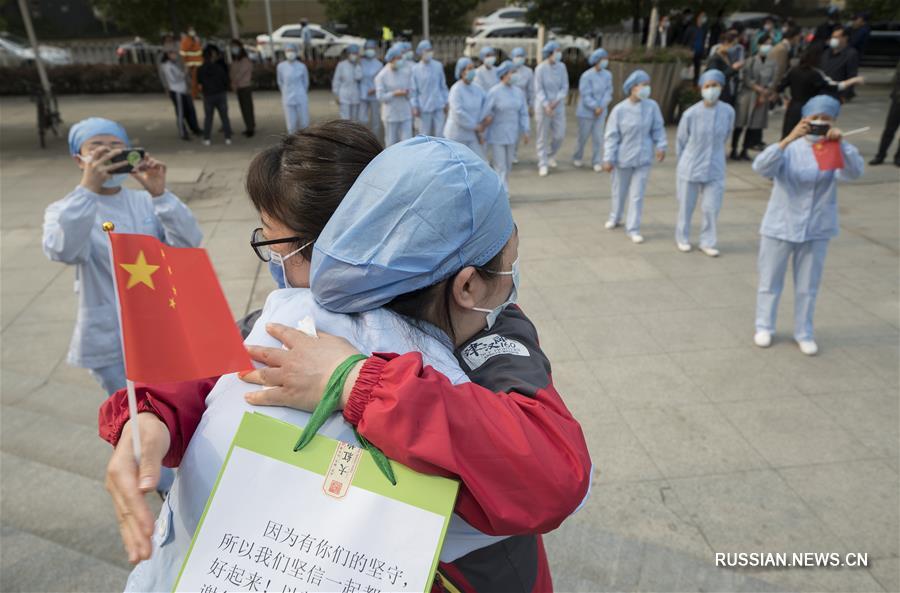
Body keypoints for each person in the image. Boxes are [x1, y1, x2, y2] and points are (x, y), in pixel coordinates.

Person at [100, 132, 592, 592]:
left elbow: (550, 472)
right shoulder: (295, 315)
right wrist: (152, 411)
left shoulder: (488, 331)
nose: (276, 265)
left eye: (279, 245)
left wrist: (356, 380)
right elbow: (229, 362)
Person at [43, 117, 202, 396]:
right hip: (109, 336)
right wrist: (87, 190)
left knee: (172, 408)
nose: (108, 152)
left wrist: (160, 194)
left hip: (159, 327)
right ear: (79, 159)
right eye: (97, 147)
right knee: (133, 417)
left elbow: (188, 244)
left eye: (116, 146)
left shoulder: (145, 201)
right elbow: (64, 251)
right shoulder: (64, 208)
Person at [752, 95, 863, 355]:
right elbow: (761, 167)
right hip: (781, 224)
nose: (819, 123)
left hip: (817, 227)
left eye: (826, 119)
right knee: (770, 280)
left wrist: (842, 145)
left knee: (808, 285)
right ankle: (764, 326)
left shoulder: (835, 148)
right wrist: (787, 139)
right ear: (804, 119)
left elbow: (854, 173)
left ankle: (804, 332)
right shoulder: (789, 148)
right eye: (815, 118)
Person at [602, 69, 667, 244]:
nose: (647, 88)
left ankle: (633, 228)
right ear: (632, 87)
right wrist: (608, 158)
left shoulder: (652, 107)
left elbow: (658, 128)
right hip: (623, 158)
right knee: (619, 191)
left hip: (643, 158)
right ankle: (615, 216)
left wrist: (661, 145)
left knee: (637, 195)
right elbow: (611, 136)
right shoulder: (620, 110)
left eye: (648, 85)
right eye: (643, 85)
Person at [674, 69, 735, 256]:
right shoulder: (690, 114)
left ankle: (707, 241)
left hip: (715, 165)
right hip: (691, 165)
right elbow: (681, 141)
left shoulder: (728, 111)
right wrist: (683, 162)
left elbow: (726, 134)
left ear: (721, 87)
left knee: (711, 207)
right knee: (686, 206)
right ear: (701, 88)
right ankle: (682, 238)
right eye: (707, 86)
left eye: (715, 86)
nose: (711, 90)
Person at [777, 43, 863, 139]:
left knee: (788, 135)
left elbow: (779, 87)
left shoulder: (793, 71)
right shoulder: (816, 74)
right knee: (808, 137)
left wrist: (785, 99)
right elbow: (834, 86)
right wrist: (852, 81)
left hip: (793, 107)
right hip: (810, 109)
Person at [485, 60, 529, 190]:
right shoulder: (494, 92)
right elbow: (485, 112)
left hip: (512, 133)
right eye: (512, 72)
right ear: (504, 74)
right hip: (497, 134)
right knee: (500, 166)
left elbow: (523, 112)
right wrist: (482, 128)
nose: (515, 75)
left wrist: (526, 130)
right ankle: (503, 192)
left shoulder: (518, 92)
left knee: (508, 165)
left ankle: (503, 188)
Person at [732, 34, 777, 158]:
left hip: (762, 98)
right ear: (759, 45)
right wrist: (759, 90)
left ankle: (745, 149)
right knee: (740, 123)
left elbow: (773, 80)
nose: (767, 47)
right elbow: (747, 79)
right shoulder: (750, 60)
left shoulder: (772, 63)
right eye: (765, 43)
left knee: (753, 125)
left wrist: (766, 92)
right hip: (748, 95)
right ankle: (734, 148)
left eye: (770, 44)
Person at [572, 48, 612, 172]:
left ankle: (596, 160)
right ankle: (577, 156)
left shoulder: (607, 75)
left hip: (600, 112)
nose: (605, 61)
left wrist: (602, 106)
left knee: (598, 137)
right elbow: (585, 94)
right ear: (596, 60)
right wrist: (595, 106)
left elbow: (608, 91)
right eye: (603, 59)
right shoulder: (587, 75)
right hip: (586, 112)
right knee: (582, 136)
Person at [534, 41, 568, 177]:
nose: (559, 54)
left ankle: (550, 155)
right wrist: (546, 104)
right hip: (543, 107)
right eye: (556, 51)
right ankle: (542, 163)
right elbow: (538, 89)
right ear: (549, 53)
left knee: (559, 135)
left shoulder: (562, 67)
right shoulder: (540, 69)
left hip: (558, 106)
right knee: (542, 136)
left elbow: (565, 86)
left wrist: (556, 101)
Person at [444, 57, 490, 158]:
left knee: (478, 161)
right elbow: (458, 113)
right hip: (457, 134)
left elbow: (486, 104)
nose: (472, 71)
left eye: (473, 68)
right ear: (461, 72)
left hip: (472, 134)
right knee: (457, 163)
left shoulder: (477, 89)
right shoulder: (456, 90)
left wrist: (486, 119)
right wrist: (476, 126)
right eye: (469, 69)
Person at [375, 44, 414, 146]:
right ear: (391, 59)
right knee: (391, 143)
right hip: (390, 115)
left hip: (405, 113)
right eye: (398, 58)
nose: (401, 60)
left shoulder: (405, 72)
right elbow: (380, 97)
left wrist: (407, 92)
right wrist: (394, 94)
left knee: (408, 142)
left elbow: (412, 90)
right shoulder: (382, 76)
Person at [411, 40, 449, 136]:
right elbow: (414, 90)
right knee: (424, 134)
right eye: (426, 50)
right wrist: (415, 106)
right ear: (420, 52)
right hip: (424, 106)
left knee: (440, 134)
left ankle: (440, 151)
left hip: (439, 104)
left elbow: (443, 86)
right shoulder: (415, 69)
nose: (429, 52)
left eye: (430, 50)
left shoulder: (438, 66)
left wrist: (446, 101)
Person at [159, 50, 200, 140]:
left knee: (187, 111)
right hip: (177, 91)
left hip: (182, 91)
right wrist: (184, 73)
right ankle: (183, 133)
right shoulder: (167, 66)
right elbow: (174, 79)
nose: (175, 56)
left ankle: (192, 129)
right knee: (180, 112)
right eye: (173, 54)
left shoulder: (172, 65)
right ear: (168, 55)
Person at [196, 45, 232, 146]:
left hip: (208, 96)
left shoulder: (200, 69)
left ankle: (207, 138)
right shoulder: (218, 68)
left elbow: (199, 84)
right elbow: (225, 80)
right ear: (212, 56)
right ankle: (228, 137)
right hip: (220, 94)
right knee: (224, 117)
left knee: (208, 118)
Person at [870, 61, 900, 167]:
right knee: (889, 129)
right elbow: (897, 79)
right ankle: (880, 155)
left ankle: (898, 157)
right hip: (898, 100)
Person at [276, 44, 310, 133]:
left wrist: (301, 92)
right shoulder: (281, 66)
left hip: (301, 97)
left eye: (292, 51)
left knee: (304, 123)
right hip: (287, 98)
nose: (290, 53)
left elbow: (306, 82)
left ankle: (305, 143)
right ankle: (292, 144)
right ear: (285, 52)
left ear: (296, 52)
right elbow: (280, 82)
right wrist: (285, 92)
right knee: (291, 125)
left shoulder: (302, 66)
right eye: (288, 51)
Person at [820, 26, 859, 101]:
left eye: (837, 37)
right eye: (832, 37)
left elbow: (851, 75)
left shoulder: (851, 54)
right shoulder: (826, 53)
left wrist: (844, 95)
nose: (833, 39)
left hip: (838, 94)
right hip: (823, 92)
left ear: (845, 38)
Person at [706, 30, 744, 106]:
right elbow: (716, 77)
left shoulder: (727, 55)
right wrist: (733, 68)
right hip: (719, 93)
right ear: (726, 43)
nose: (732, 48)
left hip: (729, 90)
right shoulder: (715, 59)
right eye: (732, 45)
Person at [509, 47, 534, 164]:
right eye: (516, 56)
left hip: (522, 103)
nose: (519, 59)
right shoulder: (507, 69)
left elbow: (531, 90)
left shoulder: (528, 72)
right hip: (508, 102)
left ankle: (514, 153)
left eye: (521, 56)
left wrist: (531, 105)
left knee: (519, 130)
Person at [229, 39, 255, 138]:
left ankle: (250, 128)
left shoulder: (245, 60)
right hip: (239, 87)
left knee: (247, 108)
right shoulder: (235, 60)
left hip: (245, 87)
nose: (233, 49)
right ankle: (248, 126)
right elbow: (232, 73)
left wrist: (234, 82)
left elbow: (240, 74)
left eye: (235, 47)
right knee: (243, 109)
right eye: (232, 47)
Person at [359, 40, 384, 138]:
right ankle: (363, 139)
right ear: (364, 50)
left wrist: (374, 89)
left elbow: (381, 80)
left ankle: (375, 140)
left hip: (374, 94)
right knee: (362, 119)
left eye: (372, 49)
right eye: (368, 49)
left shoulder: (379, 64)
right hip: (362, 94)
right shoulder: (360, 62)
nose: (370, 51)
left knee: (375, 120)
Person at [332, 44, 363, 121]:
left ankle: (353, 133)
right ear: (348, 54)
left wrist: (357, 65)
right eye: (352, 54)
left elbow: (359, 77)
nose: (354, 56)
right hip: (344, 95)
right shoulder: (341, 65)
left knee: (354, 120)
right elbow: (336, 80)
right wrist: (336, 95)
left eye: (355, 54)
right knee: (345, 119)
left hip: (355, 94)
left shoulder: (359, 65)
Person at [769, 26, 803, 92]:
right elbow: (779, 71)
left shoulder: (784, 47)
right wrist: (775, 90)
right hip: (774, 86)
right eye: (799, 36)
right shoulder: (782, 49)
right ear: (795, 36)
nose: (800, 39)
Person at [683, 11, 708, 84]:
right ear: (697, 18)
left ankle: (695, 83)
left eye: (704, 17)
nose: (703, 18)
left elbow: (704, 40)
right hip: (691, 51)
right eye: (702, 17)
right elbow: (685, 40)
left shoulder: (704, 29)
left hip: (699, 52)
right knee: (687, 68)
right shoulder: (691, 28)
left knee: (697, 69)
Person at [179, 26, 202, 98]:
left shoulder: (196, 40)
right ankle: (193, 94)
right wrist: (185, 64)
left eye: (193, 30)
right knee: (192, 81)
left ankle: (196, 94)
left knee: (197, 80)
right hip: (190, 64)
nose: (192, 32)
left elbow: (199, 51)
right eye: (191, 30)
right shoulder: (185, 41)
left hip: (198, 63)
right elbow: (183, 53)